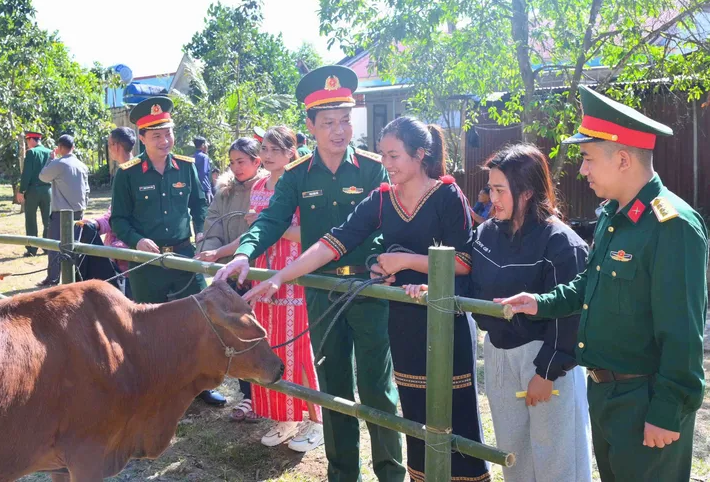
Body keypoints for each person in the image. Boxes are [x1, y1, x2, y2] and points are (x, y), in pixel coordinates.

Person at [244, 117, 490, 482]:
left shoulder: (447, 195)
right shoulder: (382, 199)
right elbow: (334, 241)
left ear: (420, 155)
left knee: (452, 412)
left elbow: (464, 262)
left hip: (442, 320)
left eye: (394, 156)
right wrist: (281, 277)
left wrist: (403, 261)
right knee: (413, 409)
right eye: (384, 155)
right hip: (403, 319)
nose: (387, 164)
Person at [500, 85, 707, 482]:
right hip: (607, 395)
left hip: (645, 403)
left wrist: (666, 411)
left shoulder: (673, 226)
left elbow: (683, 334)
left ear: (624, 159)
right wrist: (540, 302)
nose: (582, 170)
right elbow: (589, 286)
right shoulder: (615, 215)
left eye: (588, 159)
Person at [216, 65, 405, 482]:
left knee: (377, 387)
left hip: (369, 290)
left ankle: (391, 474)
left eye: (345, 120)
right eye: (329, 123)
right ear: (310, 126)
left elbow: (396, 223)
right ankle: (342, 475)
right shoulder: (299, 174)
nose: (339, 131)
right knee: (334, 387)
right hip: (319, 291)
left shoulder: (374, 169)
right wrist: (246, 253)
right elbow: (270, 221)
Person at [470, 143, 591, 482]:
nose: (490, 198)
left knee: (558, 454)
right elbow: (470, 284)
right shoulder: (485, 234)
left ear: (525, 192)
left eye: (498, 190)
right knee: (514, 453)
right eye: (490, 188)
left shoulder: (561, 243)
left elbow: (571, 314)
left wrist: (547, 371)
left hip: (547, 359)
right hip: (497, 353)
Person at [206, 128, 325, 451]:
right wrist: (222, 252)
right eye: (264, 148)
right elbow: (254, 232)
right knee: (270, 346)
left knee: (300, 349)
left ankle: (316, 421)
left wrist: (277, 226)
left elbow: (314, 236)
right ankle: (284, 416)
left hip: (294, 276)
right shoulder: (258, 185)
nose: (268, 154)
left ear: (292, 152)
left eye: (274, 148)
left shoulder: (305, 183)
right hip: (262, 279)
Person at [110, 97, 224, 407]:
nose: (165, 140)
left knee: (198, 319)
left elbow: (199, 204)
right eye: (156, 135)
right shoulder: (128, 174)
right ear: (143, 138)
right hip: (148, 262)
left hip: (184, 256)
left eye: (169, 133)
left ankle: (200, 385)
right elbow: (118, 219)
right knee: (151, 325)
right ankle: (158, 387)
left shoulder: (185, 167)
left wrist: (202, 230)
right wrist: (136, 240)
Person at [195, 137, 267, 419]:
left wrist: (219, 252)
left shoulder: (266, 189)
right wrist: (209, 249)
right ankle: (248, 395)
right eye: (232, 162)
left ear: (256, 161)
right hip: (231, 275)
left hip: (259, 271)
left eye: (242, 161)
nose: (237, 168)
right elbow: (211, 223)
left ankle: (271, 395)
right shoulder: (223, 192)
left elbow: (257, 232)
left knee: (264, 334)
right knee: (238, 336)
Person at [80, 127, 137, 278]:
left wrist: (98, 225)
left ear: (116, 146)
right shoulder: (126, 171)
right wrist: (96, 223)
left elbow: (121, 216)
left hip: (128, 254)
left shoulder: (130, 173)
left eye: (109, 145)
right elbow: (115, 212)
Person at [37, 134, 89, 287]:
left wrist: (50, 159)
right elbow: (87, 190)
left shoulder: (58, 163)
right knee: (75, 245)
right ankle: (75, 277)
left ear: (59, 148)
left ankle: (53, 279)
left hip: (61, 212)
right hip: (79, 210)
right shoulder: (82, 165)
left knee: (55, 246)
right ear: (73, 147)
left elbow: (43, 177)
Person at [17, 131, 52, 257]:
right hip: (48, 189)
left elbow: (27, 174)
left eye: (27, 141)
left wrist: (21, 191)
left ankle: (32, 249)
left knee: (31, 219)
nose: (27, 144)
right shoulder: (49, 152)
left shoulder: (31, 153)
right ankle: (48, 246)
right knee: (48, 219)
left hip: (33, 190)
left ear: (31, 140)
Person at [193, 136, 213, 204]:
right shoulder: (204, 157)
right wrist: (208, 190)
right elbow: (204, 173)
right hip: (204, 188)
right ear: (203, 145)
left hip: (194, 188)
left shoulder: (192, 157)